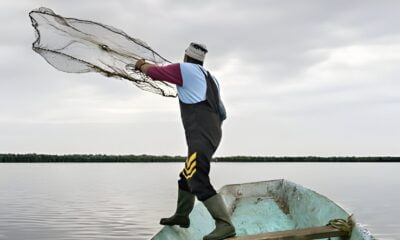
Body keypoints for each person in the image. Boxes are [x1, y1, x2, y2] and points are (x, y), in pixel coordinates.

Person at [134, 42, 236, 240]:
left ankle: (225, 225)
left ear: (186, 56)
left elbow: (154, 73)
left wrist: (140, 65)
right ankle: (182, 216)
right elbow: (222, 113)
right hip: (212, 133)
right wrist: (211, 133)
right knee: (187, 174)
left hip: (201, 134)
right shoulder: (211, 78)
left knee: (197, 177)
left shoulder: (184, 69)